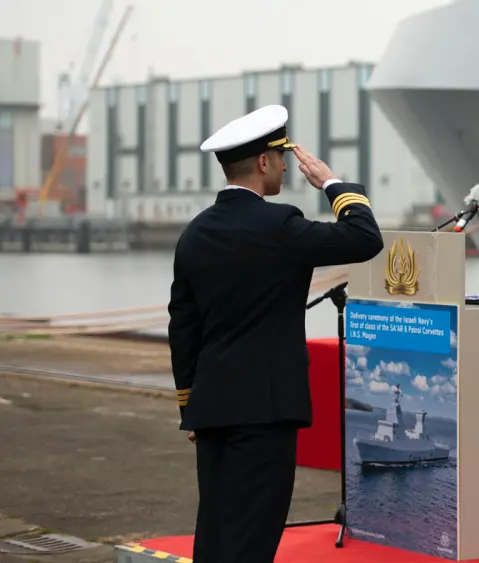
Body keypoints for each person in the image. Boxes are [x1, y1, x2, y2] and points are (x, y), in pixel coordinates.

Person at [167, 104, 383, 563]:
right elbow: (365, 237)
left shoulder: (195, 234)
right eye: (281, 156)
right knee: (255, 534)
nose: (287, 165)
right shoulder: (280, 225)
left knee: (217, 526)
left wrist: (190, 399)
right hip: (265, 411)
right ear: (264, 162)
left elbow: (182, 326)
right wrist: (331, 183)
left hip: (213, 407)